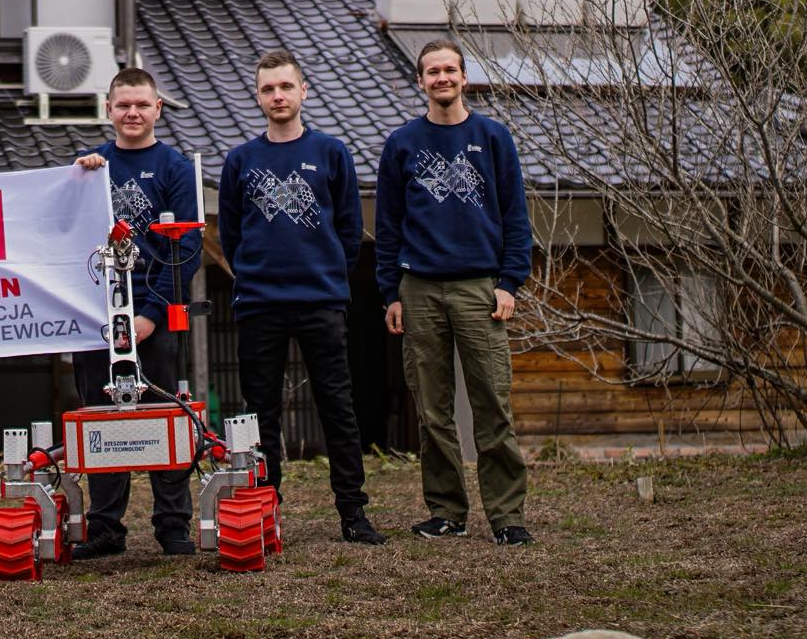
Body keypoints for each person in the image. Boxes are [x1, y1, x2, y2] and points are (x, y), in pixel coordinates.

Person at [218, 50, 386, 545]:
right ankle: (266, 511)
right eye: (268, 89)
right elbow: (230, 235)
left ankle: (353, 513)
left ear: (303, 91)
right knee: (259, 412)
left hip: (320, 299)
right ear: (258, 96)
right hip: (259, 304)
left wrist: (329, 273)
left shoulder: (332, 152)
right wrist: (251, 274)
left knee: (337, 407)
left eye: (285, 87)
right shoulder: (241, 160)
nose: (277, 96)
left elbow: (351, 231)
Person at [376, 39, 535, 546]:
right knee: (431, 409)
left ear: (464, 78)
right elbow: (388, 224)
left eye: (449, 70)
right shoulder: (402, 143)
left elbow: (515, 216)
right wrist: (390, 293)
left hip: (479, 288)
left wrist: (510, 281)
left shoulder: (493, 138)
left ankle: (507, 517)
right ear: (420, 81)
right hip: (419, 288)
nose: (441, 78)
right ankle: (447, 511)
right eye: (432, 72)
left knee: (492, 403)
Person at [70, 67, 201, 558]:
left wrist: (152, 312)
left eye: (142, 105)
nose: (132, 113)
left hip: (155, 316)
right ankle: (105, 527)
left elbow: (186, 246)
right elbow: (67, 238)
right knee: (102, 415)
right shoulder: (88, 167)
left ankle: (172, 523)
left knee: (167, 413)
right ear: (109, 110)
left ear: (157, 109)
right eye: (123, 104)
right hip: (99, 320)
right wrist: (75, 179)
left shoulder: (174, 168)